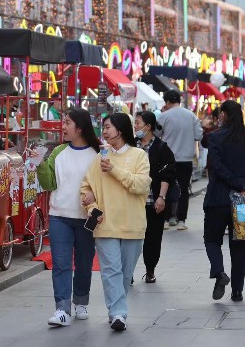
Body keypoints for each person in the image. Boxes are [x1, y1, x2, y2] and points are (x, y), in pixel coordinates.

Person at [80, 113, 150, 331]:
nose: (105, 131)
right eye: (104, 127)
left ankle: (117, 307)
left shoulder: (139, 155)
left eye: (108, 127)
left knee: (125, 273)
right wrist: (91, 209)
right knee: (111, 270)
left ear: (120, 129)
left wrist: (115, 170)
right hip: (105, 224)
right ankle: (118, 313)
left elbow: (141, 185)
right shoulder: (99, 157)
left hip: (132, 224)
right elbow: (86, 188)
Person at [36, 108, 100, 327]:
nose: (62, 127)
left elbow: (105, 186)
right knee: (61, 264)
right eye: (64, 123)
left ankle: (81, 302)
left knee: (84, 263)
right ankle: (62, 309)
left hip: (86, 218)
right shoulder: (58, 152)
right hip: (59, 216)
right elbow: (49, 184)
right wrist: (39, 165)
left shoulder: (97, 153)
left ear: (80, 128)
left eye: (67, 123)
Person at [201, 100, 245, 302]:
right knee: (240, 244)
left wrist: (236, 183)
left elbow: (217, 167)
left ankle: (219, 273)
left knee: (212, 239)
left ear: (224, 115)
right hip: (244, 201)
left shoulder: (216, 138)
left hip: (218, 199)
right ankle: (237, 290)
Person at [134, 111, 176, 283]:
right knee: (131, 237)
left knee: (153, 237)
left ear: (148, 127)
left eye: (137, 123)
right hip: (132, 201)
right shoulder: (131, 145)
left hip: (152, 200)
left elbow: (168, 174)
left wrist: (161, 197)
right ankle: (128, 270)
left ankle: (150, 270)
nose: (135, 127)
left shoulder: (161, 147)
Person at [156, 89, 203, 230]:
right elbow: (199, 136)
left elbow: (157, 133)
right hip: (186, 158)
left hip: (168, 158)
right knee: (183, 189)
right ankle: (181, 220)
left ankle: (167, 219)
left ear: (168, 102)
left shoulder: (164, 116)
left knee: (166, 187)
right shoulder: (191, 116)